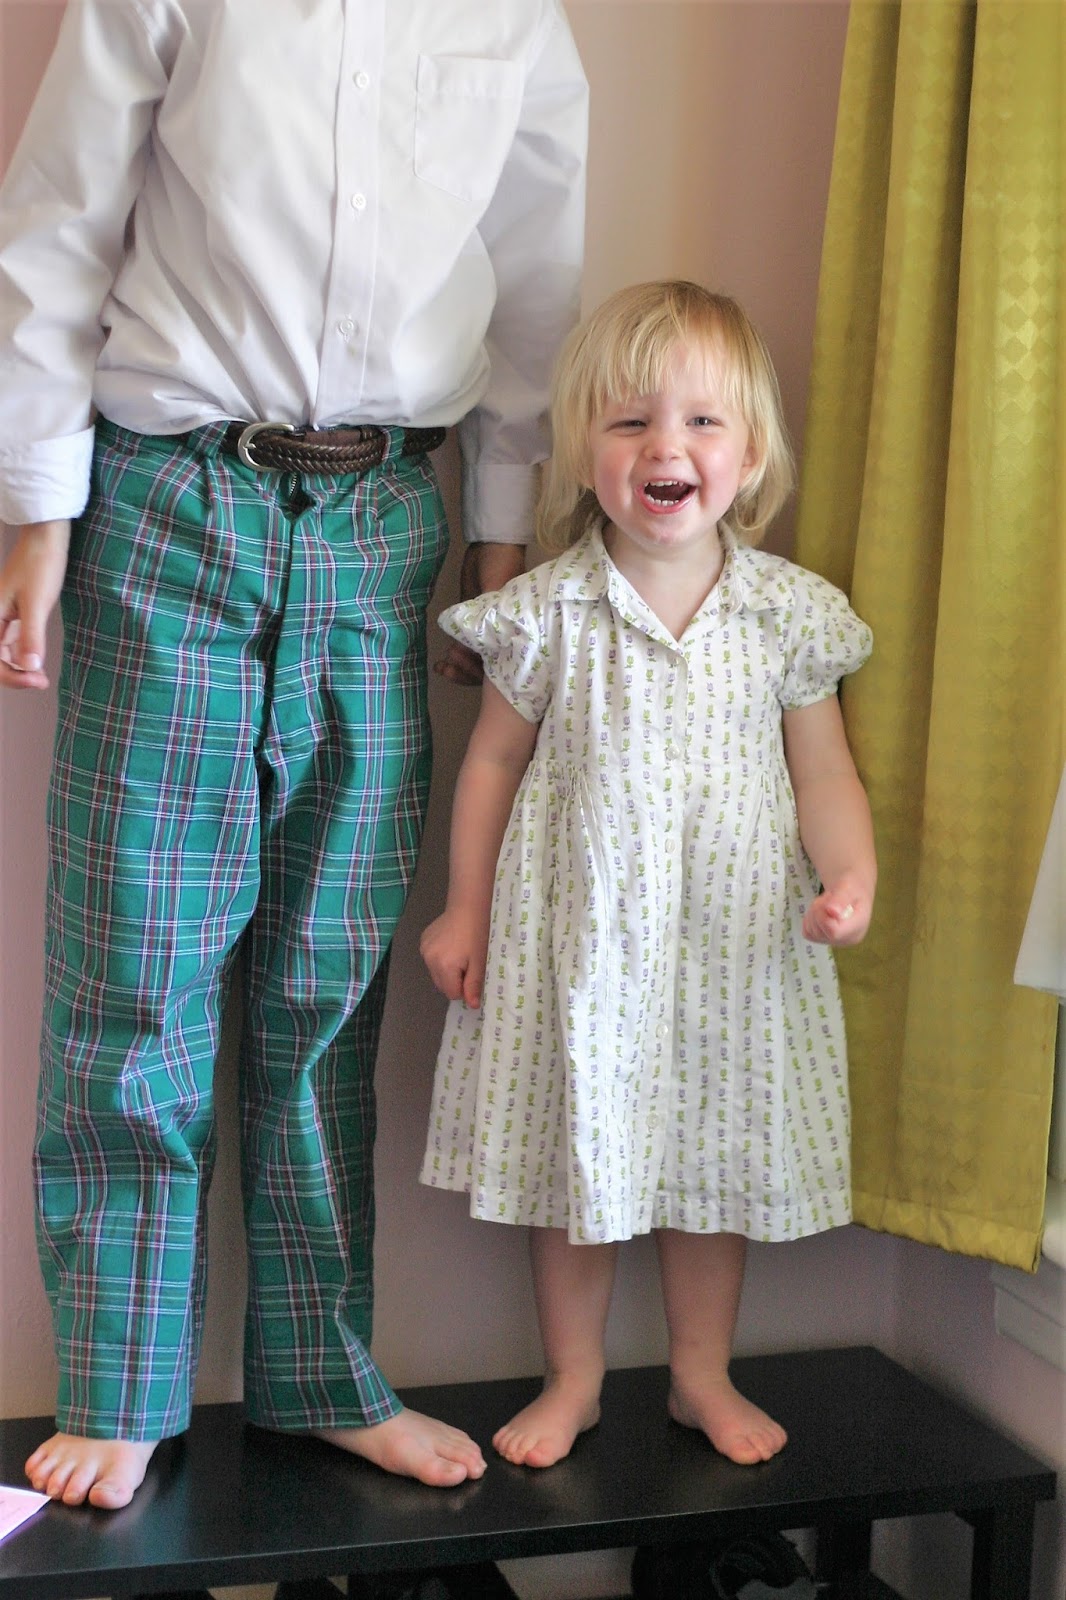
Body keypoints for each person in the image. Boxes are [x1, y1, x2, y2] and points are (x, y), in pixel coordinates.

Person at [0, 0, 587, 1510]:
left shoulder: (513, 17)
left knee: (328, 980)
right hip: (167, 508)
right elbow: (59, 225)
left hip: (385, 519)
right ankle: (121, 1387)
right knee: (137, 962)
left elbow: (535, 270)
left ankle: (322, 1369)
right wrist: (36, 514)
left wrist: (498, 529)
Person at [419, 281, 876, 1470]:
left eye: (701, 422)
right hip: (579, 946)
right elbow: (490, 765)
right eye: (629, 423)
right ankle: (572, 1376)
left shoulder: (785, 614)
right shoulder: (549, 611)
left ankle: (698, 1370)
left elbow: (823, 770)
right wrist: (462, 910)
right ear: (585, 452)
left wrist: (849, 875)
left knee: (709, 1164)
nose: (665, 446)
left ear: (750, 453)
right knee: (580, 1159)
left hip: (731, 945)